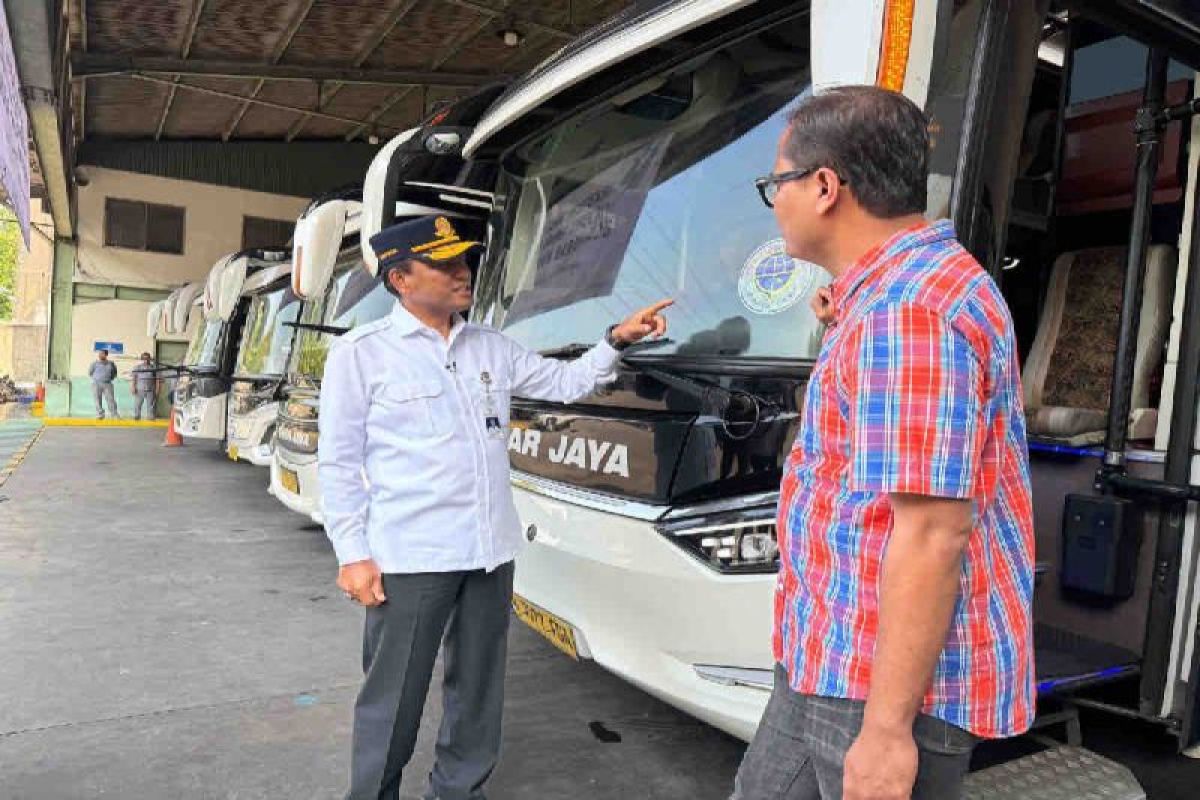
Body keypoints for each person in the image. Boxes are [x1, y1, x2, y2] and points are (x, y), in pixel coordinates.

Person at [732, 86, 1034, 800]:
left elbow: (933, 534)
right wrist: (850, 313)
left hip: (877, 686)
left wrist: (889, 731)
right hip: (828, 653)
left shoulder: (907, 314)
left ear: (826, 187)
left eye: (778, 183)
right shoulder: (892, 297)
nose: (775, 201)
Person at [318, 215, 673, 800]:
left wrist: (615, 341)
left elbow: (562, 383)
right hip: (411, 557)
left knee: (478, 689)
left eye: (465, 260)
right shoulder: (363, 355)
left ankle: (457, 790)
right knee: (394, 695)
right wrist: (353, 555)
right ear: (401, 278)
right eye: (446, 264)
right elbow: (338, 463)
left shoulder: (488, 345)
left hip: (487, 551)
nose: (464, 273)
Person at [88, 349, 119, 420]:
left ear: (106, 355)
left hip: (107, 384)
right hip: (96, 384)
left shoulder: (111, 364)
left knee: (111, 399)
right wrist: (97, 379)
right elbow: (90, 372)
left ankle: (114, 414)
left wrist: (109, 379)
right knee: (97, 400)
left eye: (102, 354)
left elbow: (114, 373)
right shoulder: (94, 364)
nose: (100, 355)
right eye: (99, 354)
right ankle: (100, 415)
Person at [130, 352, 159, 421]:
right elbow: (134, 378)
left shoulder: (154, 368)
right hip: (140, 389)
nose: (145, 360)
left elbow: (157, 379)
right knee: (137, 404)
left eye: (147, 358)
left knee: (151, 405)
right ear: (142, 359)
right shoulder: (137, 367)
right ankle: (137, 416)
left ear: (149, 359)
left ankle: (151, 418)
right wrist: (133, 387)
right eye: (144, 358)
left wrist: (157, 389)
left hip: (151, 390)